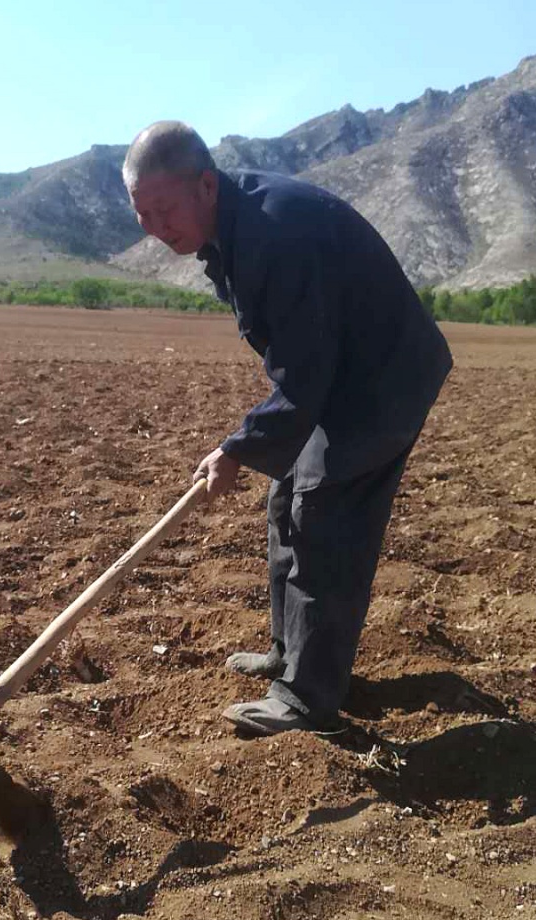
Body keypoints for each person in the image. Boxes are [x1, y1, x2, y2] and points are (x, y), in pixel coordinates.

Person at [123, 120, 452, 736]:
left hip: (381, 382)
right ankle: (288, 651)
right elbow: (302, 364)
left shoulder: (277, 234)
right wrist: (249, 447)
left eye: (164, 210)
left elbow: (306, 373)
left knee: (324, 517)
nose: (155, 228)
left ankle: (306, 699)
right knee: (285, 501)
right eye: (142, 214)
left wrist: (236, 448)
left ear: (206, 185)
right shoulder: (234, 228)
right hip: (342, 375)